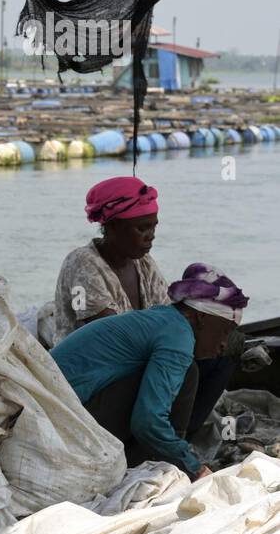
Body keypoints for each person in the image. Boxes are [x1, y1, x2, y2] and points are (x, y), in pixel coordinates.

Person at [50, 263, 248, 479]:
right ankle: (167, 469)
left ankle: (166, 461)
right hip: (63, 426)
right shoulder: (178, 335)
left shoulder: (162, 319)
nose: (223, 344)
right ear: (201, 317)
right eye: (225, 332)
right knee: (188, 374)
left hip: (56, 415)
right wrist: (195, 468)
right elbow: (148, 422)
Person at [51, 176, 168, 344]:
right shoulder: (81, 264)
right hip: (87, 364)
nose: (151, 236)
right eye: (142, 228)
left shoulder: (144, 263)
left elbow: (167, 314)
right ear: (113, 226)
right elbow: (108, 333)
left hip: (134, 357)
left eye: (153, 226)